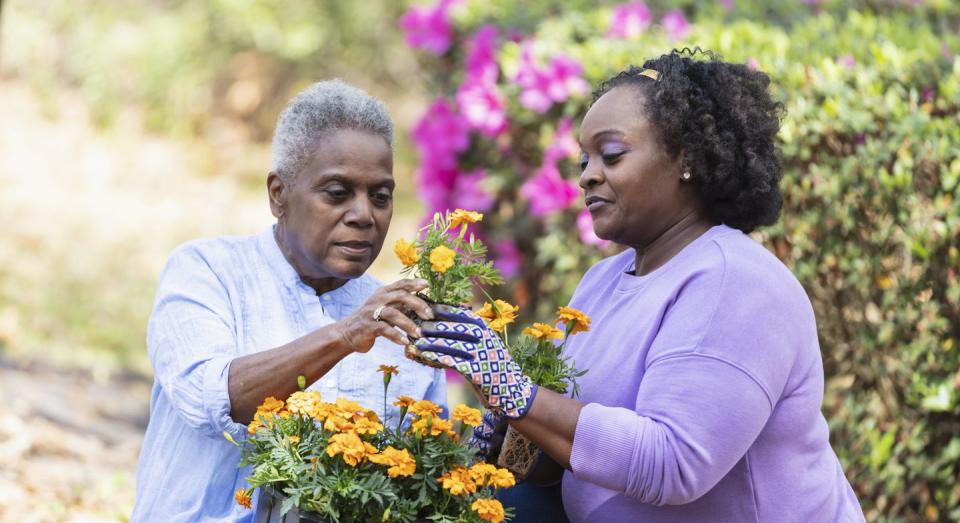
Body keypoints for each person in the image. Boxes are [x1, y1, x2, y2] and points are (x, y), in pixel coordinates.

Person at [410, 49, 866, 522]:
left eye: (611, 155)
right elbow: (565, 463)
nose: (587, 174)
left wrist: (515, 392)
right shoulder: (603, 281)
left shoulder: (735, 283)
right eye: (584, 159)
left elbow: (673, 464)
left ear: (685, 159)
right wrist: (506, 423)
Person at [131, 80, 443, 521]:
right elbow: (213, 399)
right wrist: (345, 335)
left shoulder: (399, 318)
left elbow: (426, 473)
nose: (363, 215)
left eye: (380, 196)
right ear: (279, 194)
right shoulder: (206, 272)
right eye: (337, 193)